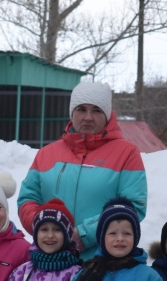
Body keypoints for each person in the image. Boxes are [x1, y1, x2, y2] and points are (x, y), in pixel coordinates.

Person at [17, 81, 146, 262]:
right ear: (72, 113)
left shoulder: (126, 153)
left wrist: (84, 235)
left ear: (107, 114)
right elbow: (27, 199)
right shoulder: (47, 153)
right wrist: (45, 229)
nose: (88, 117)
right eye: (81, 109)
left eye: (96, 110)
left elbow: (133, 206)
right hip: (51, 262)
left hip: (103, 263)